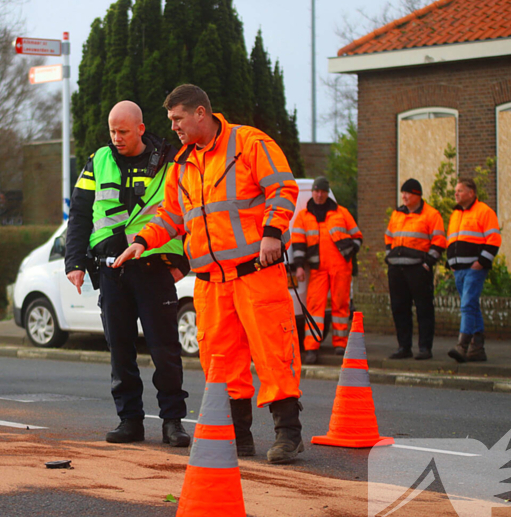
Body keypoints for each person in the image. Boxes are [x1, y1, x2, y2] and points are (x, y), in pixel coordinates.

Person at [114, 85, 304, 464]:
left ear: (200, 113)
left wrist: (272, 233)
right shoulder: (182, 164)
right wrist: (142, 241)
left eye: (178, 119)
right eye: (171, 120)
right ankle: (239, 438)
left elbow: (283, 188)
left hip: (255, 274)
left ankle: (288, 434)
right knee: (221, 361)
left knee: (273, 352)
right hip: (210, 283)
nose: (173, 128)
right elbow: (170, 215)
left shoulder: (249, 143)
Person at [65, 100, 191, 448]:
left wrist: (184, 262)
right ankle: (129, 421)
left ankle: (172, 422)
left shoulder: (168, 161)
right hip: (112, 271)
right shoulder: (98, 161)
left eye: (123, 131)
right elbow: (80, 214)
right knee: (120, 351)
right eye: (112, 131)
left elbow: (189, 210)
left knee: (165, 351)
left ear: (140, 129)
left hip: (153, 269)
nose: (116, 138)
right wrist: (74, 262)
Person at [290, 176, 362, 364]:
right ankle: (311, 348)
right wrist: (299, 266)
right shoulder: (303, 216)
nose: (319, 194)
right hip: (318, 269)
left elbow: (357, 236)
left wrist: (350, 252)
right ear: (312, 192)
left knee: (341, 305)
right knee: (314, 308)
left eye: (322, 191)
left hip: (341, 267)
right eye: (316, 191)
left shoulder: (342, 213)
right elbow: (298, 244)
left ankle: (340, 344)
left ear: (327, 193)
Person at [384, 179, 448, 360]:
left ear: (417, 195)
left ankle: (425, 348)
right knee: (399, 308)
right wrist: (390, 257)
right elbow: (388, 237)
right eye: (403, 193)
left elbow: (439, 242)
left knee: (424, 309)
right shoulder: (397, 214)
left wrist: (427, 263)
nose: (404, 196)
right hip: (397, 269)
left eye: (408, 193)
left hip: (418, 270)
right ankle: (404, 347)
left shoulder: (431, 215)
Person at [446, 178, 501, 362]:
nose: (456, 194)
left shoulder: (484, 211)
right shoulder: (455, 214)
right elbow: (451, 239)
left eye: (460, 190)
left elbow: (494, 239)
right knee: (471, 305)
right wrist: (450, 261)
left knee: (467, 305)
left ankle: (462, 345)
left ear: (471, 193)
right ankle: (477, 348)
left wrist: (481, 262)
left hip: (474, 268)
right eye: (456, 190)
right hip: (459, 269)